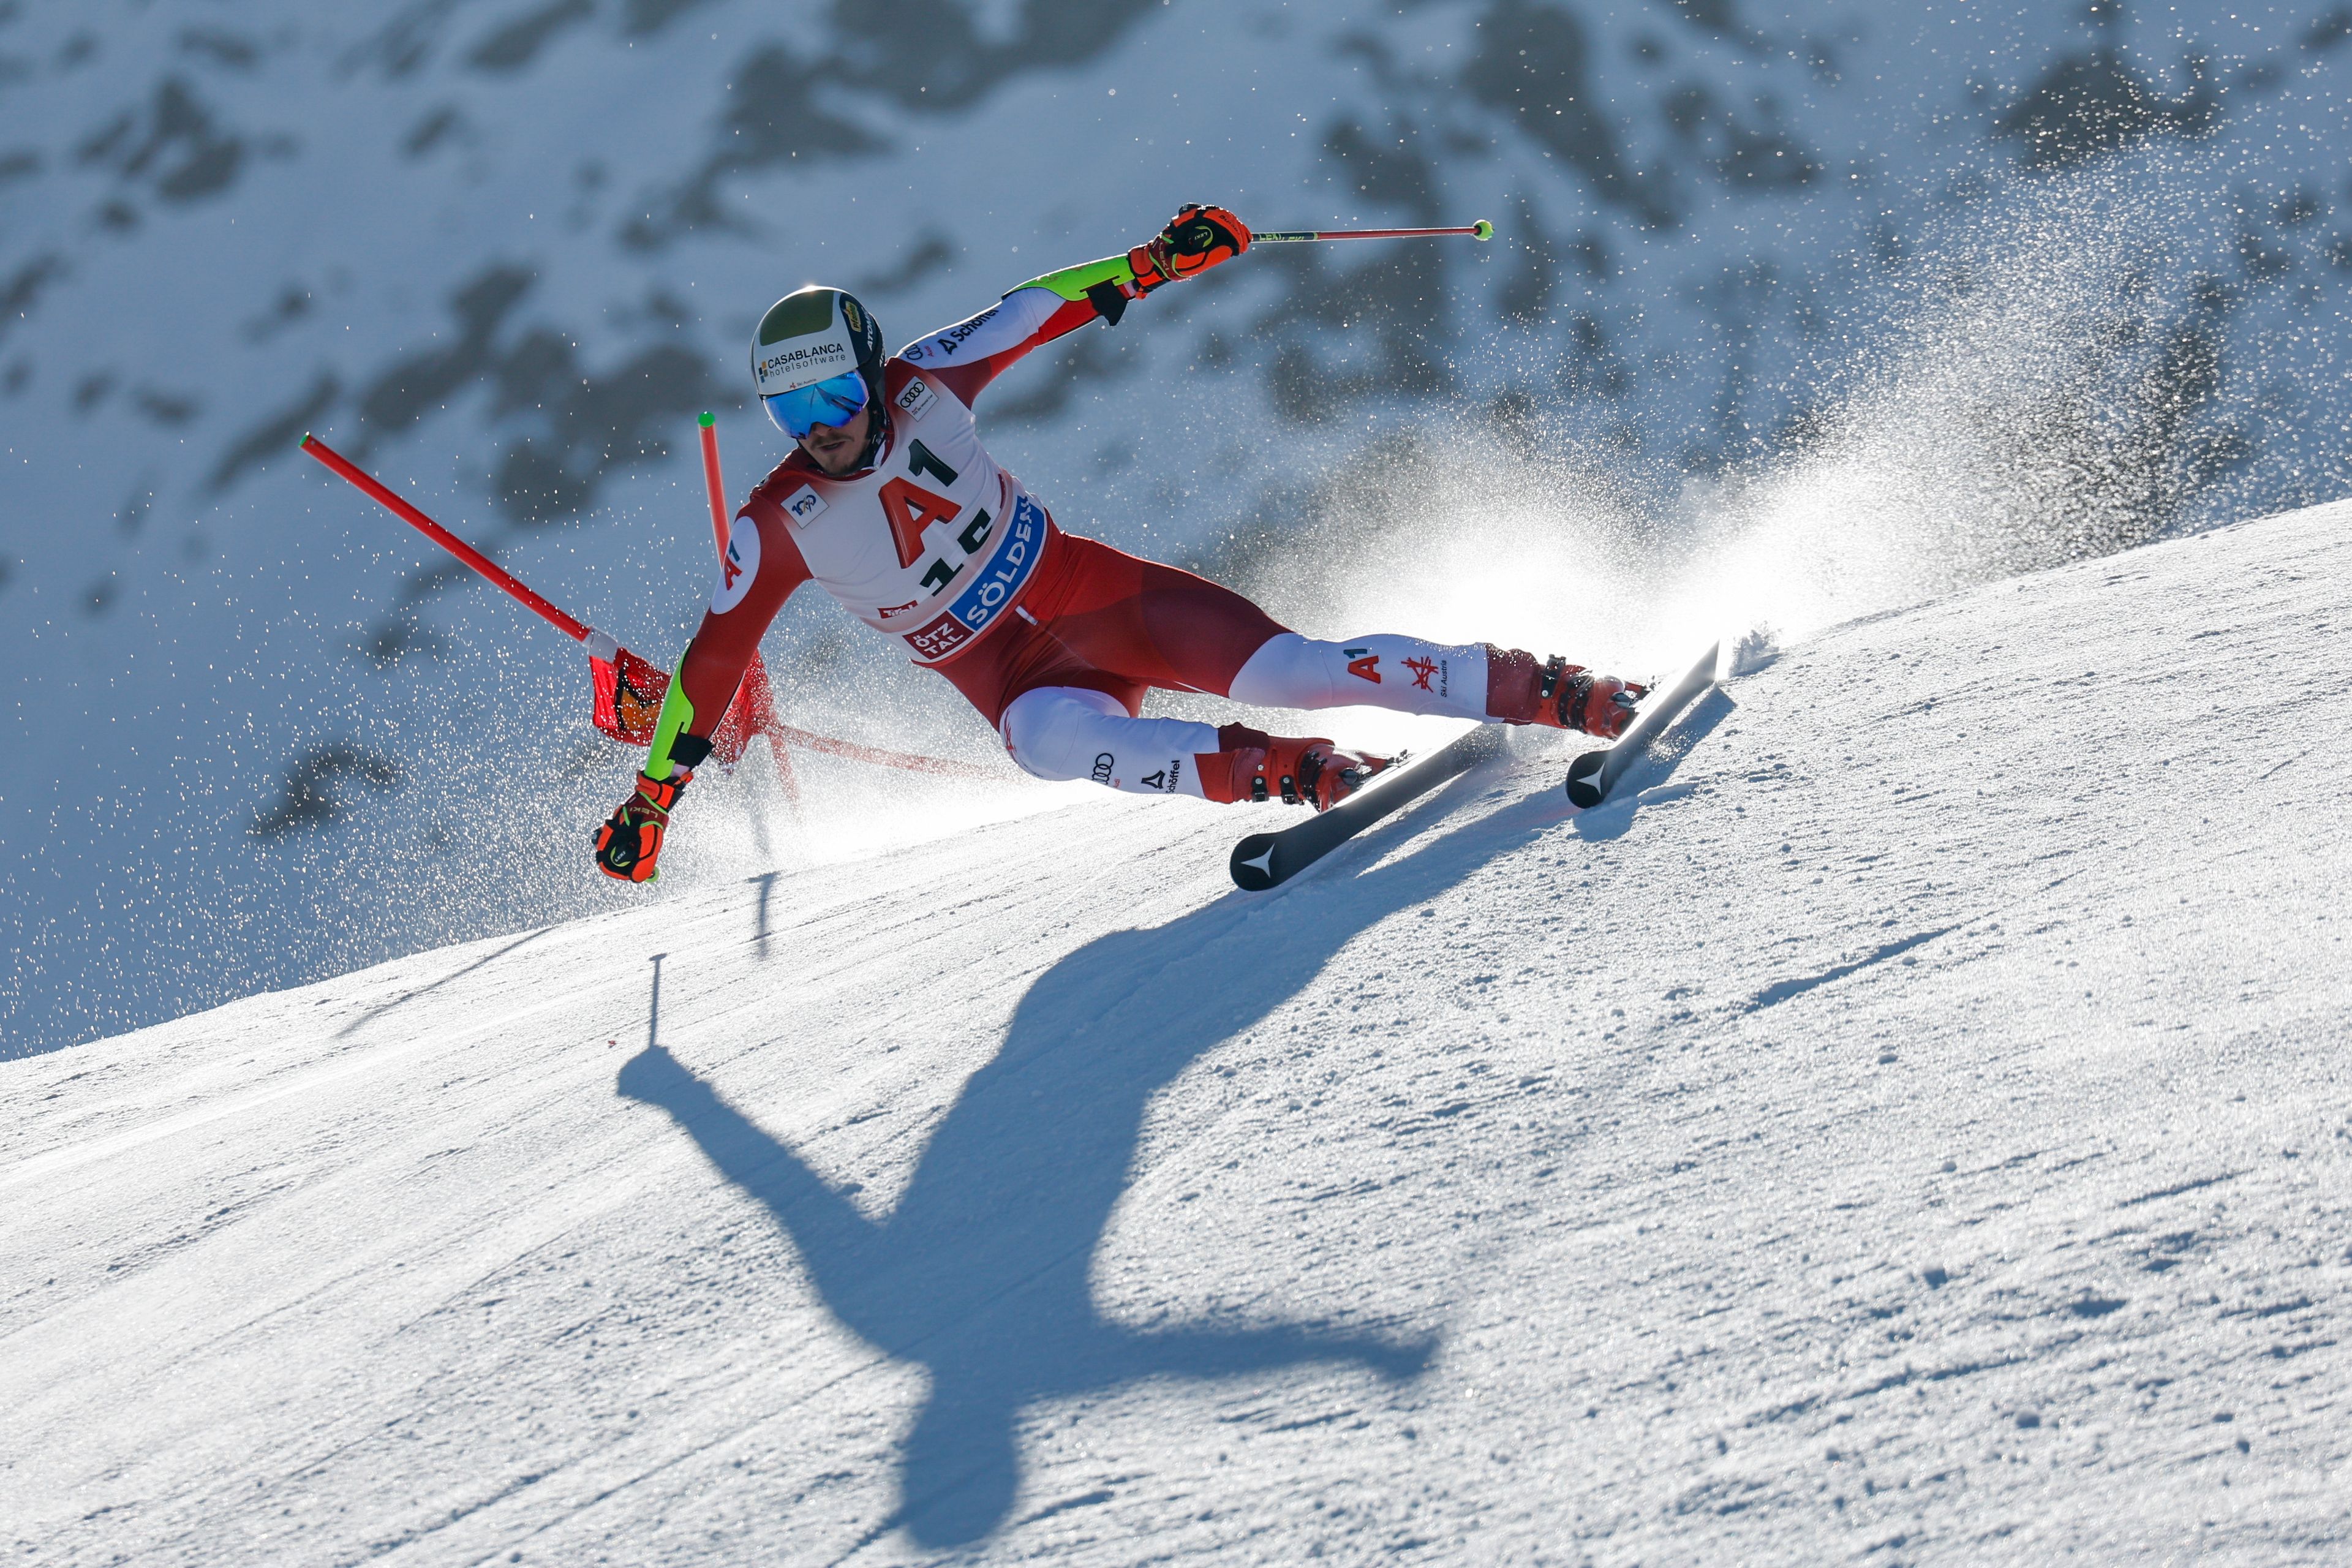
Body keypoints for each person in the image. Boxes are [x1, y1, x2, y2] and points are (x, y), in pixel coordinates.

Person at [594, 205, 1645, 883]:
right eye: (790, 412)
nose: (820, 426)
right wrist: (652, 804)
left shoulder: (925, 383)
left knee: (1294, 669)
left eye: (831, 393)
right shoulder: (780, 522)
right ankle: (1288, 775)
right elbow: (710, 666)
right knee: (1042, 747)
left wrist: (1154, 262)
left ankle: (1543, 690)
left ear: (868, 369)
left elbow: (1031, 310)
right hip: (1013, 678)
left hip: (1104, 599)